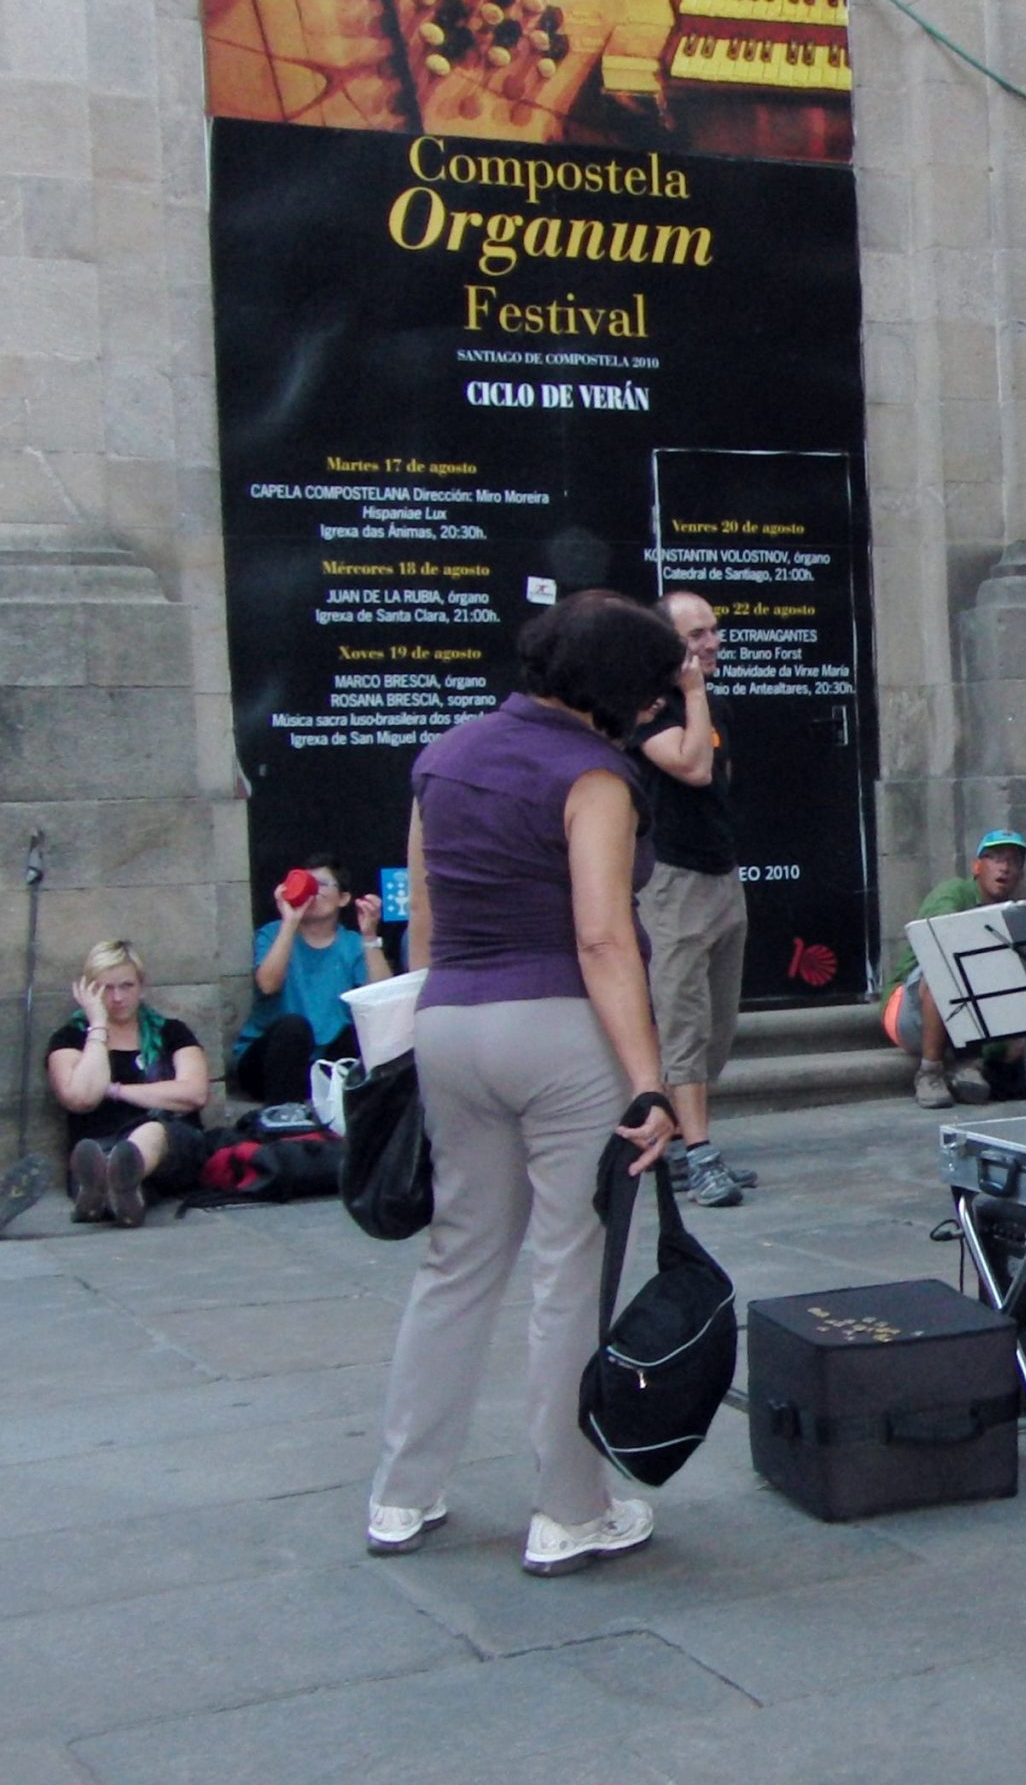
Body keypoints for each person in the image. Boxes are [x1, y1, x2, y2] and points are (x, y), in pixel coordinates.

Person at [368, 589, 683, 1578]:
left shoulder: (443, 758)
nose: (658, 708)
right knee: (569, 1274)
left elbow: (423, 917)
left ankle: (400, 1495)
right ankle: (568, 1509)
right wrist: (649, 1081)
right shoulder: (594, 774)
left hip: (450, 1021)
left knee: (457, 1260)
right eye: (654, 691)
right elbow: (602, 937)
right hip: (559, 1030)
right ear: (621, 689)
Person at [631, 590, 752, 1207]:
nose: (712, 642)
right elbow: (693, 767)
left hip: (720, 874)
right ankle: (700, 1154)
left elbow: (720, 781)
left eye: (714, 629)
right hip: (672, 880)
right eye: (696, 634)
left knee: (718, 1025)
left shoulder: (713, 702)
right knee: (682, 1021)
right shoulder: (648, 708)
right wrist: (693, 692)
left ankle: (681, 1142)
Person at [43, 939, 215, 1227]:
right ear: (89, 990)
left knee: (150, 1132)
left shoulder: (171, 1032)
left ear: (141, 986)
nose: (118, 997)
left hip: (171, 1143)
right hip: (99, 1145)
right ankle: (117, 1192)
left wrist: (116, 1090)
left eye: (126, 986)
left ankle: (116, 1174)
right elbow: (81, 1098)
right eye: (106, 988)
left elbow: (194, 1093)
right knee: (118, 1177)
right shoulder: (70, 1038)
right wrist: (98, 1026)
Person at [881, 828, 1026, 1109]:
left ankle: (968, 1063)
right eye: (996, 858)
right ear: (976, 866)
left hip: (968, 1022)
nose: (1004, 867)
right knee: (945, 969)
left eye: (1013, 861)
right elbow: (943, 931)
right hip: (908, 1012)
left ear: (1021, 874)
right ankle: (930, 1072)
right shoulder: (953, 891)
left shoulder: (1015, 911)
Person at [233, 856, 391, 1105]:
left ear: (343, 898)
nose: (312, 892)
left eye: (321, 885)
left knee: (360, 1033)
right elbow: (268, 985)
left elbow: (383, 1001)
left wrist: (370, 935)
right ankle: (285, 1119)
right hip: (268, 1062)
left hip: (326, 1062)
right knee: (294, 1028)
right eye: (308, 883)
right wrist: (290, 921)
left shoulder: (352, 944)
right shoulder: (272, 933)